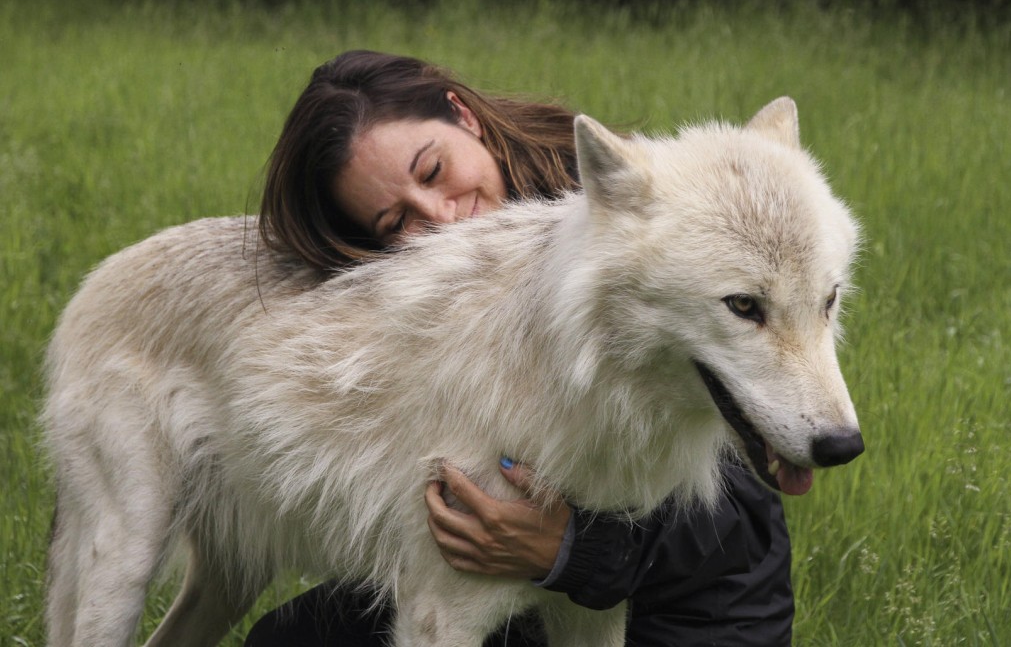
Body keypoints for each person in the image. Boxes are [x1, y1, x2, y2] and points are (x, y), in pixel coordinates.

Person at [245, 50, 793, 646]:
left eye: (431, 171)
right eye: (394, 220)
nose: (440, 216)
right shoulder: (427, 286)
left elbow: (744, 519)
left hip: (689, 613)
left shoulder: (638, 212)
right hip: (531, 575)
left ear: (463, 115)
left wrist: (572, 549)